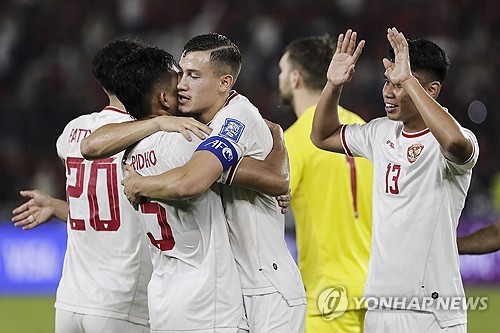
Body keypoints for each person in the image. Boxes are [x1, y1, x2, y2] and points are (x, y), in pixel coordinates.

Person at [83, 33, 306, 332]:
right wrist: (277, 138)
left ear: (224, 83)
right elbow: (274, 178)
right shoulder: (187, 134)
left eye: (193, 75)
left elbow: (198, 179)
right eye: (181, 74)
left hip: (265, 285)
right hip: (227, 292)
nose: (183, 85)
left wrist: (139, 185)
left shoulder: (225, 123)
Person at [11, 39, 211, 333]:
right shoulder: (153, 136)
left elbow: (103, 210)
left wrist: (58, 207)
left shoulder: (72, 132)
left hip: (70, 301)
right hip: (122, 300)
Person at [310, 28, 478, 333]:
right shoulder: (380, 132)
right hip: (380, 307)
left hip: (433, 311)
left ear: (431, 89)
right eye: (388, 82)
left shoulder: (456, 138)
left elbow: (455, 144)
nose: (388, 91)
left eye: (398, 84)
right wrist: (332, 85)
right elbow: (322, 136)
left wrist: (408, 81)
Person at [279, 35, 373, 332]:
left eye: (282, 71)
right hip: (377, 290)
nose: (279, 77)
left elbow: (270, 201)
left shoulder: (294, 140)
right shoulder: (361, 128)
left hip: (328, 297)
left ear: (295, 79)